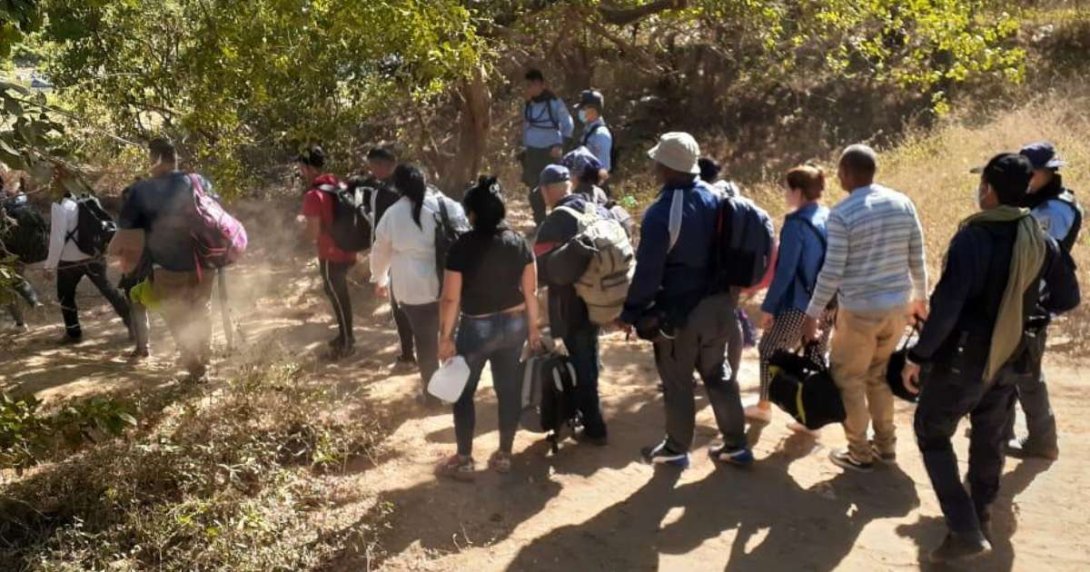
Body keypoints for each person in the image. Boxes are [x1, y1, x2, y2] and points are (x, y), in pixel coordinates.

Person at [904, 153, 1079, 563]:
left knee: (931, 431)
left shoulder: (973, 237)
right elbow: (1068, 297)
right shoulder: (1040, 239)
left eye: (982, 183)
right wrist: (1027, 309)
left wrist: (918, 354)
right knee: (990, 436)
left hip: (963, 359)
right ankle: (980, 513)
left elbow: (947, 307)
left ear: (990, 190)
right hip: (1011, 356)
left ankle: (964, 530)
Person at [618, 132, 752, 469]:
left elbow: (649, 272)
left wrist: (630, 313)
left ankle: (676, 449)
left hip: (682, 313)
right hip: (722, 306)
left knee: (677, 380)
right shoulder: (717, 196)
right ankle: (736, 445)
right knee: (718, 374)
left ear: (666, 167)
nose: (654, 166)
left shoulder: (662, 212)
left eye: (657, 161)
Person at [803, 144, 929, 472]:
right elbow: (917, 254)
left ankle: (859, 451)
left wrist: (813, 313)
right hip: (897, 309)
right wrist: (921, 298)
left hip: (859, 312)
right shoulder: (902, 203)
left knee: (849, 379)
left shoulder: (843, 214)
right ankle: (886, 446)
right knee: (879, 376)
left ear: (846, 174)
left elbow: (832, 271)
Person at [436, 176, 540, 480]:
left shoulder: (461, 247)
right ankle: (504, 455)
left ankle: (465, 460)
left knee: (463, 393)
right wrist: (533, 329)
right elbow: (531, 292)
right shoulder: (519, 241)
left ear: (472, 214)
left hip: (477, 327)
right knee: (507, 390)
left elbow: (450, 298)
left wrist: (445, 337)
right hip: (515, 323)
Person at [1005, 141, 1083, 460]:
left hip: (1033, 300)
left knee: (1027, 370)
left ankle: (1042, 440)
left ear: (1048, 173)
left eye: (1031, 172)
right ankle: (1001, 426)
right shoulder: (1037, 200)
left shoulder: (1055, 210)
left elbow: (1033, 252)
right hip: (1023, 296)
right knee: (1007, 364)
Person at [114, 138, 215, 380]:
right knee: (201, 308)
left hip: (168, 267)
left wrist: (124, 262)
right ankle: (205, 355)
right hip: (205, 264)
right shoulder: (198, 181)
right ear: (175, 158)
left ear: (155, 158)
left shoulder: (142, 190)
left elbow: (128, 233)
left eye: (150, 158)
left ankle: (195, 367)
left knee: (177, 315)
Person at [371, 164, 467, 405]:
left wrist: (380, 279)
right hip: (451, 286)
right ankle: (458, 393)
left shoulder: (393, 214)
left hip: (413, 292)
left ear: (397, 187)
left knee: (425, 345)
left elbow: (380, 250)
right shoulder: (448, 205)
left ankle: (433, 397)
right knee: (450, 337)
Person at [748, 165, 832, 429]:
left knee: (768, 349)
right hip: (828, 302)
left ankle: (763, 406)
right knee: (815, 354)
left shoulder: (796, 224)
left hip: (799, 304)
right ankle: (813, 412)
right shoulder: (828, 216)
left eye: (787, 188)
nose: (785, 193)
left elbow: (785, 272)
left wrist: (768, 307)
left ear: (798, 191)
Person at [533, 164, 610, 445]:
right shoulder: (594, 207)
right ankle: (584, 414)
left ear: (547, 189)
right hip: (599, 299)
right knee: (589, 356)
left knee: (580, 362)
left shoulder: (555, 221)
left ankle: (594, 425)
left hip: (568, 304)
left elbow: (539, 269)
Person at [45, 190, 130, 344]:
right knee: (109, 291)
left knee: (66, 296)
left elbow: (57, 239)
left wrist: (49, 266)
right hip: (93, 256)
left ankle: (73, 333)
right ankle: (134, 325)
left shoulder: (59, 205)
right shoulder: (88, 200)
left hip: (68, 261)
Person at [296, 146, 357, 360]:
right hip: (347, 247)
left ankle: (348, 341)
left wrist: (299, 237)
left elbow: (312, 232)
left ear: (308, 167)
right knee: (338, 294)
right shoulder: (338, 185)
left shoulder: (314, 195)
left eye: (301, 167)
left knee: (338, 296)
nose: (300, 171)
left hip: (331, 253)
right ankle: (344, 336)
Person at [363, 146, 417, 370]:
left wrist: (379, 275)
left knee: (400, 306)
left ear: (381, 165)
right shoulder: (416, 184)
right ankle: (430, 353)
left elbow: (379, 235)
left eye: (373, 166)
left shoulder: (383, 192)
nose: (371, 171)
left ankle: (407, 355)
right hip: (425, 254)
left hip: (399, 257)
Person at [521, 69, 574, 225]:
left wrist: (561, 144)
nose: (531, 88)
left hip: (551, 151)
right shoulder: (528, 105)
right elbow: (526, 126)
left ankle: (559, 222)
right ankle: (540, 223)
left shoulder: (555, 103)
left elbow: (567, 124)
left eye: (534, 84)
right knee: (534, 188)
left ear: (542, 85)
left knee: (555, 186)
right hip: (533, 151)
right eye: (528, 85)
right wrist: (524, 146)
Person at [116, 182, 154, 360]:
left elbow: (114, 249)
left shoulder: (128, 225)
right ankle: (184, 348)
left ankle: (142, 348)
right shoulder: (155, 219)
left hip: (134, 273)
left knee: (138, 310)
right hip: (156, 270)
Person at [2, 180, 44, 331]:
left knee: (6, 286)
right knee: (17, 279)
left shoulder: (5, 204)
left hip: (5, 251)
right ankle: (34, 301)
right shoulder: (22, 201)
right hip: (21, 251)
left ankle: (20, 323)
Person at [575, 90, 614, 176]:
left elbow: (603, 166)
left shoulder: (600, 134)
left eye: (583, 109)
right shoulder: (588, 129)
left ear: (593, 110)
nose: (580, 111)